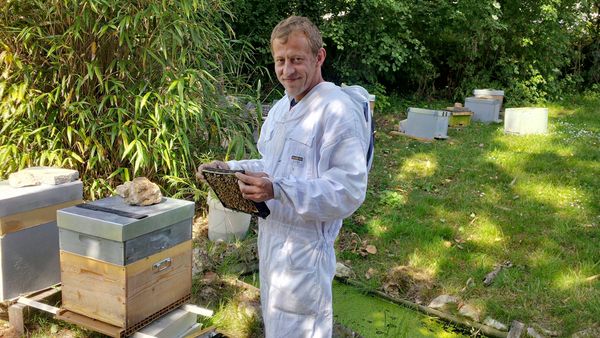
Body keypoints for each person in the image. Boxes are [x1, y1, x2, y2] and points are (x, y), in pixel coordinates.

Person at [197, 15, 371, 338]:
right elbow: (271, 164)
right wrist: (230, 168)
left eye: (296, 59)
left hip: (306, 259)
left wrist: (278, 190)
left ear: (319, 58)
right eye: (280, 60)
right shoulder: (280, 109)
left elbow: (349, 189)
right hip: (272, 249)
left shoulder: (337, 112)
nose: (286, 70)